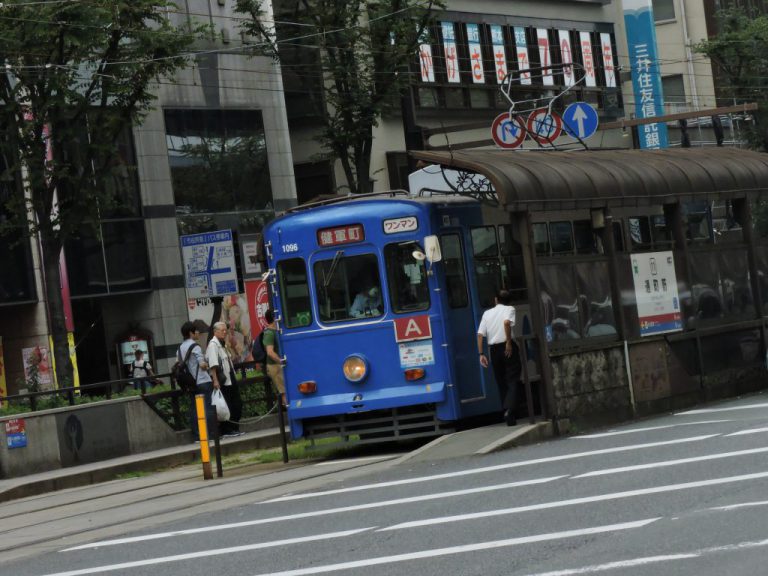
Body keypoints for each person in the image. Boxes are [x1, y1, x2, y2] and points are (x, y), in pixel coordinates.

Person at [477, 289, 522, 426]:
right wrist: (508, 342)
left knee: (501, 381)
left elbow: (480, 334)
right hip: (507, 347)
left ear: (496, 299)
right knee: (513, 378)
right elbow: (507, 323)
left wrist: (481, 354)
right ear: (509, 301)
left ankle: (507, 411)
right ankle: (510, 411)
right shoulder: (510, 309)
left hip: (493, 349)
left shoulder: (487, 313)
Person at [179, 320, 216, 442]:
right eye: (196, 331)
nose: (198, 332)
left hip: (190, 383)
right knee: (208, 408)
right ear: (191, 333)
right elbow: (202, 365)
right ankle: (209, 435)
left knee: (194, 409)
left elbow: (179, 364)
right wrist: (208, 363)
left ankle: (197, 436)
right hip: (202, 381)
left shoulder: (180, 348)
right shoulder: (195, 347)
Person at [207, 321, 243, 437]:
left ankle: (233, 428)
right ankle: (227, 429)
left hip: (229, 376)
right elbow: (213, 364)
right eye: (222, 330)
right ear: (215, 331)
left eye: (225, 330)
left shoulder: (222, 343)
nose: (224, 332)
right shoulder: (213, 345)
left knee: (236, 403)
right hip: (223, 380)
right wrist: (215, 380)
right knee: (227, 405)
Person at [262, 309, 287, 407]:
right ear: (274, 318)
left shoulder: (275, 331)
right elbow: (270, 352)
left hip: (278, 364)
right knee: (283, 391)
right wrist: (281, 361)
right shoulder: (269, 333)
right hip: (275, 366)